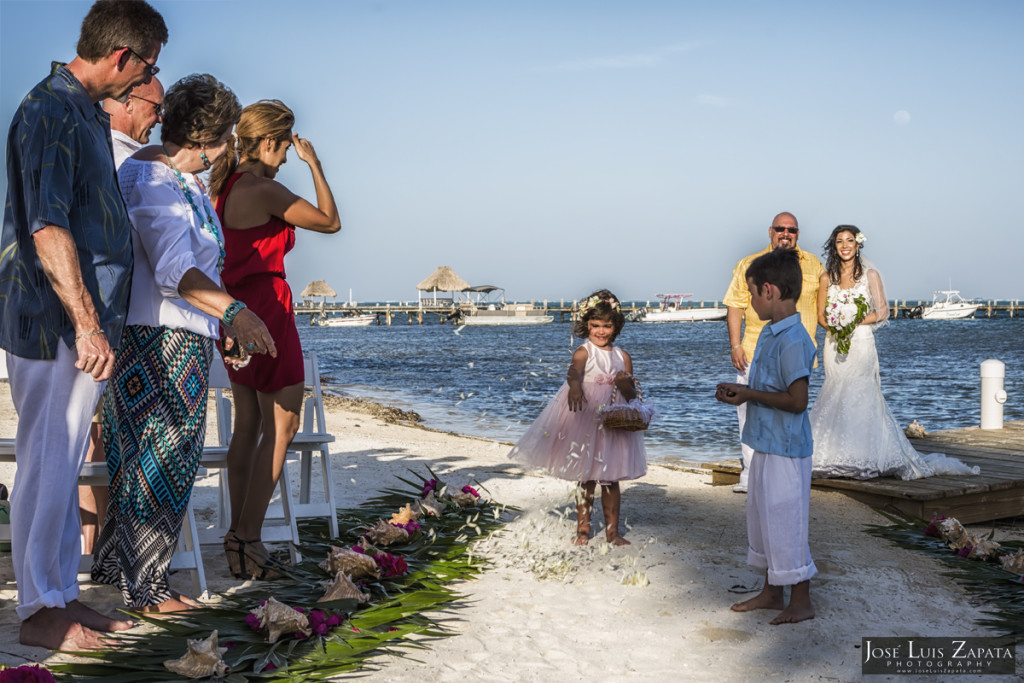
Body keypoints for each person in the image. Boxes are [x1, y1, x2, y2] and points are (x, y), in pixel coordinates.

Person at [0, 0, 167, 651]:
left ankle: (62, 593)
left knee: (66, 456)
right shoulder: (49, 111)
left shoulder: (83, 114)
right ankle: (39, 607)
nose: (147, 79)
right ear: (122, 56)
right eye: (148, 66)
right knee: (47, 456)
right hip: (53, 320)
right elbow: (46, 224)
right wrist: (88, 322)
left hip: (77, 322)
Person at [90, 74, 277, 613]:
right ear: (204, 139)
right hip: (156, 338)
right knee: (158, 460)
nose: (224, 154)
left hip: (186, 334)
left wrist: (222, 328)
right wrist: (236, 312)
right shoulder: (150, 177)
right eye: (224, 143)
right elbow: (174, 270)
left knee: (153, 459)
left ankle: (121, 571)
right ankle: (145, 591)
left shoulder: (185, 179)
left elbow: (203, 266)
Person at [208, 100, 340, 578]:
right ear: (268, 142)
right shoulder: (262, 188)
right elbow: (330, 221)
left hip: (236, 312)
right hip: (267, 313)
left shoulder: (221, 188)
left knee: (248, 426)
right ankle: (248, 539)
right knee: (281, 427)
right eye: (286, 145)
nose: (287, 154)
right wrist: (317, 166)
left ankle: (236, 539)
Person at [810, 225, 980, 480]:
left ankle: (864, 456)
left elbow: (882, 312)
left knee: (860, 391)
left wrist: (852, 322)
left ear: (858, 245)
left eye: (850, 241)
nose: (845, 246)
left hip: (861, 341)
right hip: (834, 343)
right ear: (834, 247)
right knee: (835, 389)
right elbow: (820, 315)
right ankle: (828, 456)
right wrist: (835, 325)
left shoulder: (871, 275)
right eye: (839, 242)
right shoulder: (827, 277)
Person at [78, 75, 166, 556]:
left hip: (113, 318)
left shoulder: (116, 153)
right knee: (95, 436)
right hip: (111, 321)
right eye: (157, 107)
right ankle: (98, 543)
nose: (160, 118)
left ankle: (97, 543)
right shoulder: (123, 157)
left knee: (97, 435)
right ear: (130, 102)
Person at [715, 248, 817, 626]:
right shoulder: (773, 334)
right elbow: (766, 387)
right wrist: (741, 392)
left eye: (753, 292)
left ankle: (801, 600)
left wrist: (749, 395)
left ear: (770, 291)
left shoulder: (792, 339)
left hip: (786, 451)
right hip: (766, 443)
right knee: (764, 520)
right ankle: (773, 591)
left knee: (787, 522)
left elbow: (797, 400)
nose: (750, 300)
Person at [509, 290, 648, 546]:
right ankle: (582, 529)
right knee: (587, 477)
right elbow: (574, 372)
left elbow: (630, 395)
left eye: (607, 326)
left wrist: (621, 381)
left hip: (613, 421)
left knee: (611, 478)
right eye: (595, 326)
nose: (601, 331)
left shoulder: (622, 356)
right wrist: (574, 387)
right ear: (587, 325)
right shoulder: (584, 352)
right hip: (587, 417)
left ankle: (612, 532)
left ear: (616, 326)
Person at [723, 212, 823, 493]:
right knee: (750, 415)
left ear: (798, 234)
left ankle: (784, 475)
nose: (785, 233)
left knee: (787, 415)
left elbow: (821, 307)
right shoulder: (750, 264)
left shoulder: (814, 265)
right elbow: (735, 305)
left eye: (791, 229)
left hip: (797, 351)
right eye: (780, 228)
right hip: (755, 348)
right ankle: (751, 474)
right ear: (770, 231)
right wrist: (735, 345)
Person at [102, 75, 165, 166]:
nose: (160, 119)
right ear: (129, 104)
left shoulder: (89, 145)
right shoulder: (131, 163)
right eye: (156, 108)